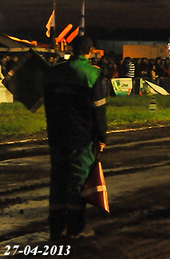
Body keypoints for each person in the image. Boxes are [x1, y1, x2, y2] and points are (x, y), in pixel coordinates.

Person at [44, 36, 108, 239]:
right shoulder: (93, 74)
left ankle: (55, 227)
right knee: (77, 181)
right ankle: (75, 229)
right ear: (89, 52)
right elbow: (98, 110)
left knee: (58, 179)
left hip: (56, 134)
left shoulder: (53, 71)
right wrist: (102, 136)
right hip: (81, 137)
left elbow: (47, 103)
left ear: (72, 49)